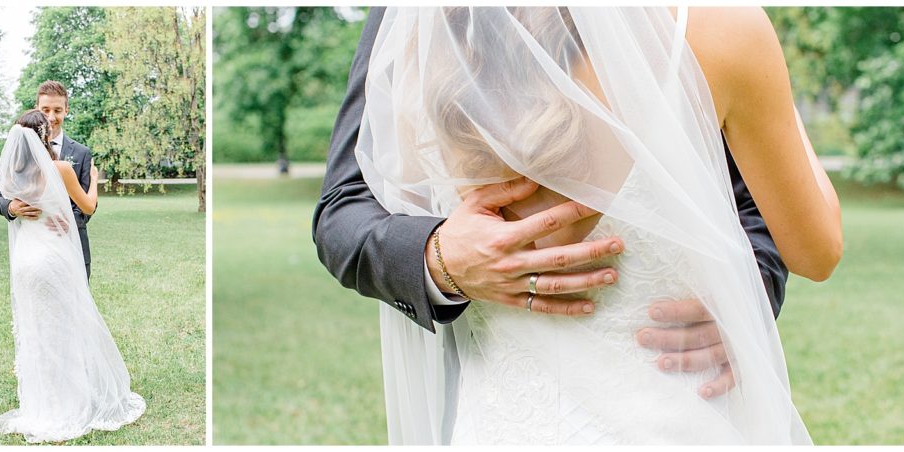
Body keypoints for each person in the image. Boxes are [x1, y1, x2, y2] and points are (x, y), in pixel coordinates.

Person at [316, 7, 840, 444]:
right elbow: (819, 251)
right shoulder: (723, 28)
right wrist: (439, 259)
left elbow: (755, 214)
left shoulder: (433, 33)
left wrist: (745, 291)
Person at [0, 111, 145, 443]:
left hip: (25, 261)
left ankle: (42, 407)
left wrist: (16, 208)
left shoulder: (13, 174)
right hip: (52, 259)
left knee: (37, 332)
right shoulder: (60, 168)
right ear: (45, 136)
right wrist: (93, 179)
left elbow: (7, 202)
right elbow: (88, 206)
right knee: (63, 330)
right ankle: (68, 406)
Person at [0, 80, 96, 279]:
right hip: (32, 247)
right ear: (37, 109)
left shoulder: (82, 153)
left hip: (71, 248)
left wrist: (69, 222)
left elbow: (86, 208)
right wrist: (11, 207)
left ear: (66, 110)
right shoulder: (18, 160)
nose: (51, 117)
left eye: (57, 110)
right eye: (45, 109)